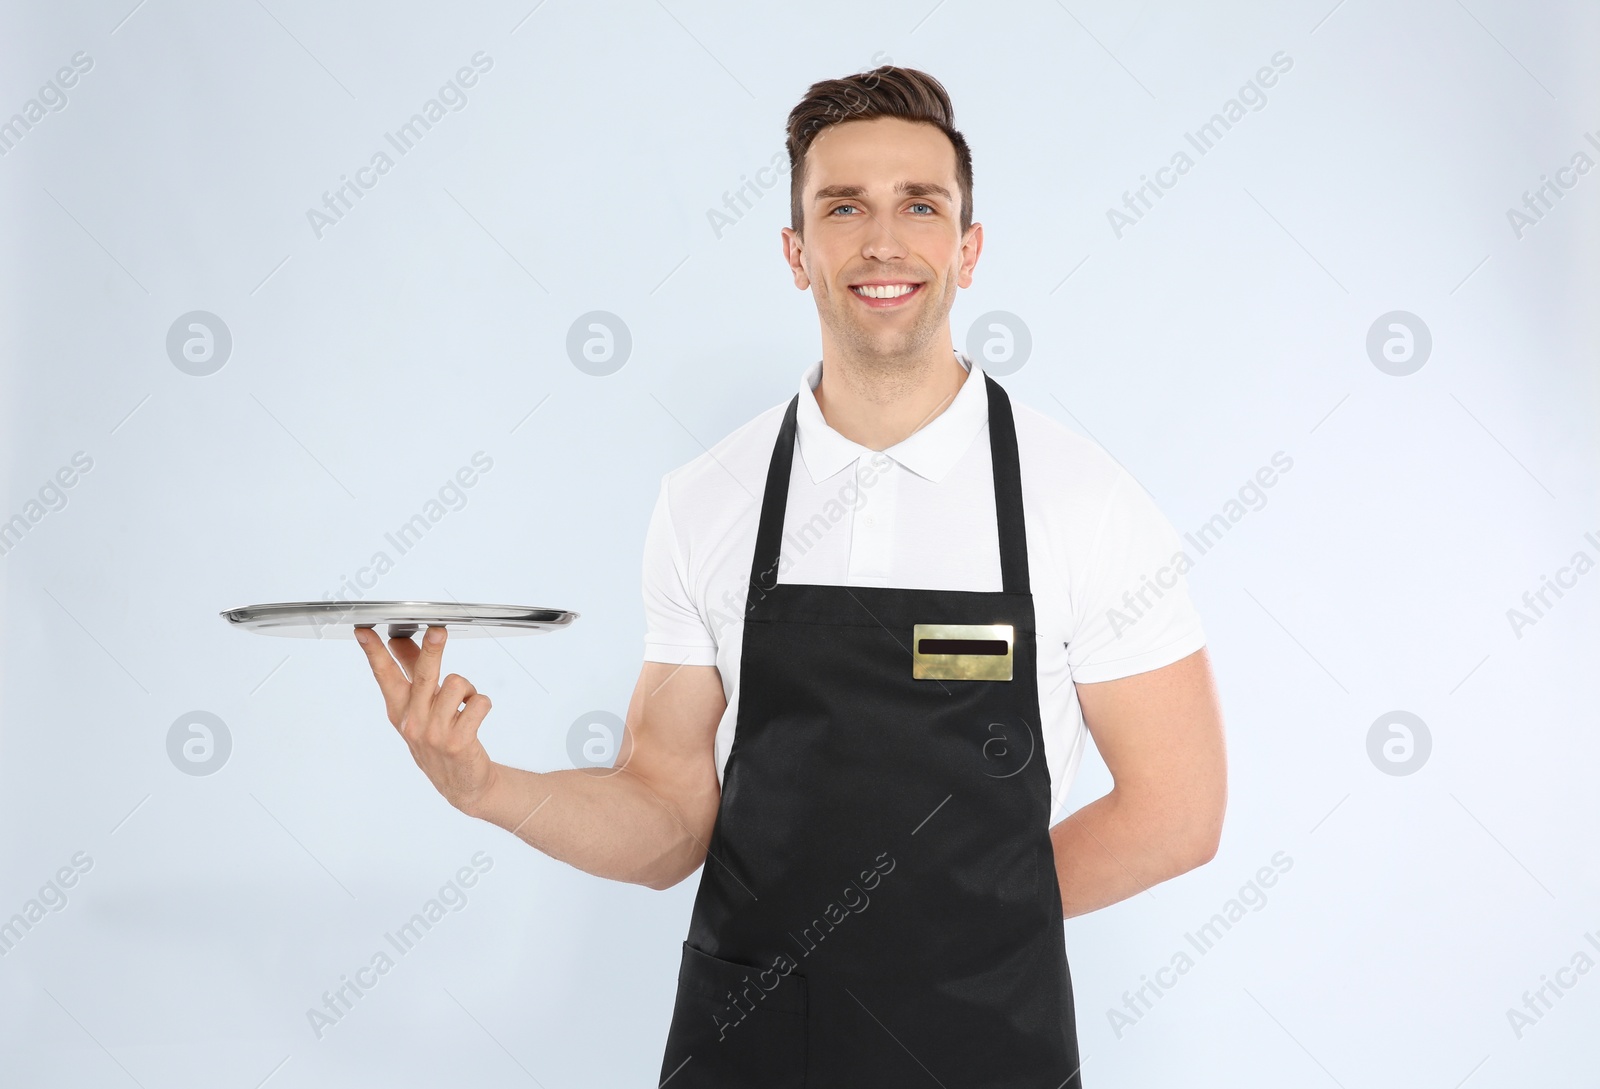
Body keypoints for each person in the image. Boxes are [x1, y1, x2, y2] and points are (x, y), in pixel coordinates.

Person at [357, 65, 1226, 1088]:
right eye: (843, 207)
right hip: (750, 1041)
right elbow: (669, 820)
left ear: (967, 247)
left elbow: (1178, 812)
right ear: (795, 250)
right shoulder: (706, 498)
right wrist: (484, 787)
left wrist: (963, 924)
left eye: (920, 205)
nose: (883, 241)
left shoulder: (1082, 501)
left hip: (982, 1045)